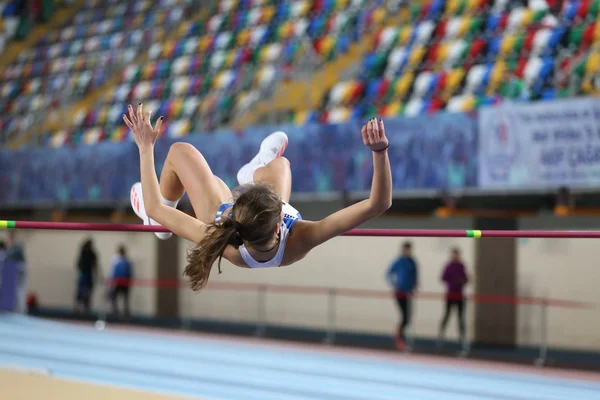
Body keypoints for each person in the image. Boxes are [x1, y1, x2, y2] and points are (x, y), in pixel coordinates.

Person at [123, 104, 391, 291]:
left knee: (180, 151)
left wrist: (145, 148)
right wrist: (380, 153)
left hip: (219, 212)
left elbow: (156, 207)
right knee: (281, 165)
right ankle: (252, 171)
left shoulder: (219, 236)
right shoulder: (303, 236)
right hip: (253, 222)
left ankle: (156, 229)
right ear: (279, 224)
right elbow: (379, 204)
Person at [386, 241, 418, 350]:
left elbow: (415, 276)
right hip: (399, 293)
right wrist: (394, 284)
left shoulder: (412, 262)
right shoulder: (399, 261)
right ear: (403, 249)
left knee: (407, 318)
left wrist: (414, 288)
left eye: (409, 249)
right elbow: (389, 273)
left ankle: (401, 338)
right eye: (406, 249)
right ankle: (399, 339)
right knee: (405, 317)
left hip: (408, 293)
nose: (408, 251)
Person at [438, 247, 469, 347]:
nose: (456, 256)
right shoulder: (449, 266)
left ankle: (462, 339)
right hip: (450, 295)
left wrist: (461, 281)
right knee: (447, 315)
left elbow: (467, 279)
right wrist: (452, 282)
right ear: (452, 255)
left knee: (461, 318)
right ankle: (441, 336)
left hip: (460, 296)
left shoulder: (461, 266)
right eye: (454, 254)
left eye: (457, 254)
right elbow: (443, 278)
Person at [109, 245, 133, 318]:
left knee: (123, 298)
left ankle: (123, 313)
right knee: (116, 297)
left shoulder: (122, 262)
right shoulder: (120, 261)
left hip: (122, 283)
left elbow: (128, 273)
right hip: (120, 283)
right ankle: (117, 312)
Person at [74, 238, 97, 313]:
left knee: (85, 291)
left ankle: (83, 307)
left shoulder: (89, 253)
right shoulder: (85, 252)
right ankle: (81, 307)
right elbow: (78, 263)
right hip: (85, 273)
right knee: (83, 291)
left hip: (85, 273)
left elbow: (95, 265)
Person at [6, 232, 27, 313]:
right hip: (16, 269)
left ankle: (21, 310)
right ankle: (18, 309)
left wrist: (10, 247)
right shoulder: (12, 247)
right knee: (17, 290)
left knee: (20, 290)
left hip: (20, 269)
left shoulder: (18, 246)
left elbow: (11, 256)